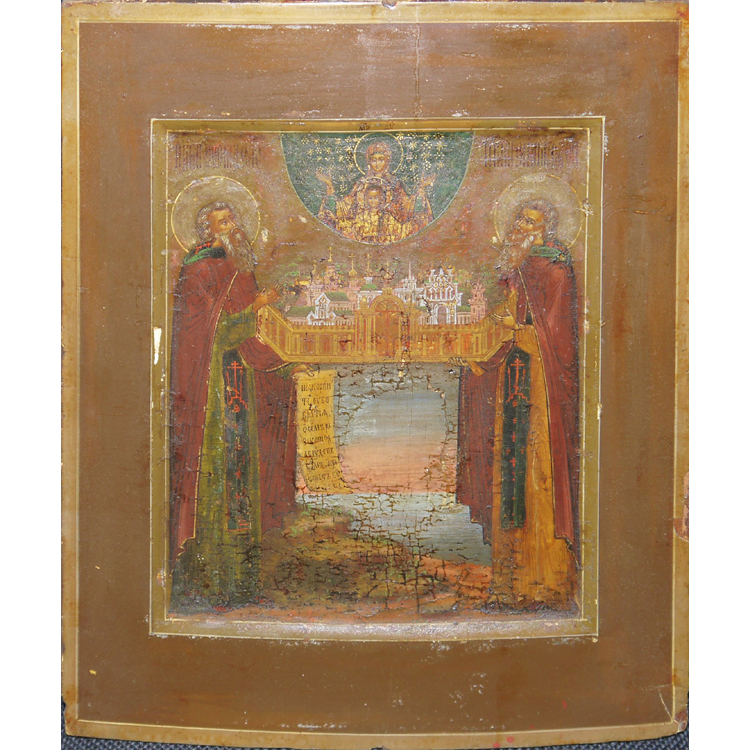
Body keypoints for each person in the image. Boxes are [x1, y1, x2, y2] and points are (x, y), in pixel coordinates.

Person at [169, 200, 301, 611]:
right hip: (213, 395)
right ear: (206, 231)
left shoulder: (238, 266)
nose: (232, 226)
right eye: (223, 222)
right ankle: (210, 584)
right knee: (220, 484)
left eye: (233, 219)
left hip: (238, 383)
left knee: (241, 484)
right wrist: (256, 307)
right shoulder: (198, 270)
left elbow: (249, 334)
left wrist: (282, 360)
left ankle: (242, 582)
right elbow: (214, 331)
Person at [455, 199, 579, 609]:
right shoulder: (520, 269)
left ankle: (545, 583)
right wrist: (480, 354)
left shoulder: (557, 270)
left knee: (534, 477)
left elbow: (557, 339)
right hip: (514, 384)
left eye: (530, 222)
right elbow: (504, 323)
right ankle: (510, 583)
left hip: (540, 392)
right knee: (511, 477)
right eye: (519, 220)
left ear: (546, 229)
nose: (521, 227)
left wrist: (518, 330)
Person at [316, 140, 434, 244]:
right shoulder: (361, 184)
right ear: (369, 162)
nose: (377, 164)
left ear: (388, 161)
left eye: (381, 160)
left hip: (389, 230)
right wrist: (329, 187)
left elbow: (407, 209)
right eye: (374, 160)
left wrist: (421, 190)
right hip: (362, 228)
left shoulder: (395, 184)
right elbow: (344, 208)